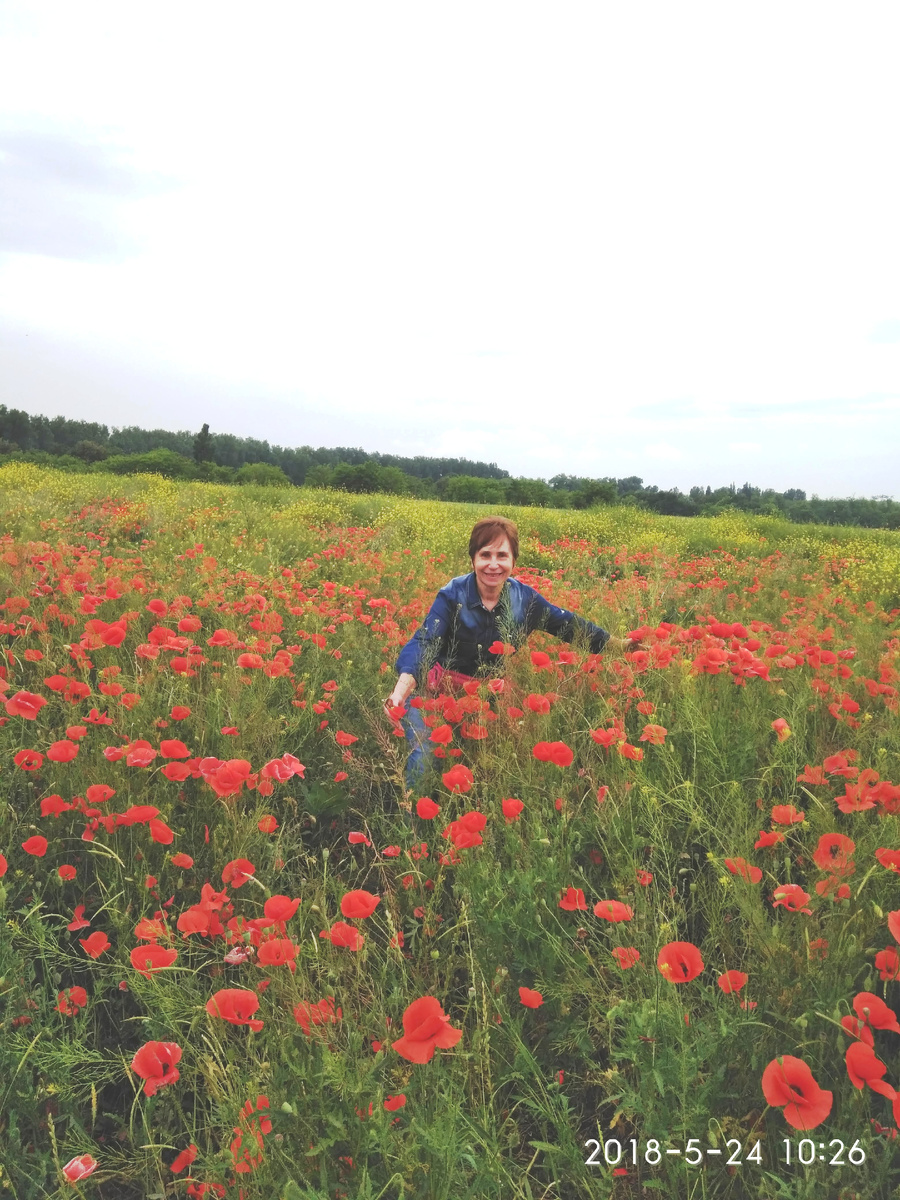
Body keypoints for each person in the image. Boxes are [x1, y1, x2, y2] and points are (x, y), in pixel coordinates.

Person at [382, 515, 638, 789]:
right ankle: (414, 827)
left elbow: (570, 625)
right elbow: (426, 639)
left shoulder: (526, 601)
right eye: (485, 555)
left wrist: (619, 646)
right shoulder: (452, 595)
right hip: (433, 691)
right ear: (473, 559)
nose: (493, 564)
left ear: (514, 561)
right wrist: (402, 689)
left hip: (486, 695)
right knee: (426, 756)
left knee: (490, 760)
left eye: (502, 555)